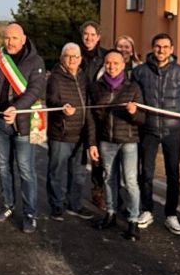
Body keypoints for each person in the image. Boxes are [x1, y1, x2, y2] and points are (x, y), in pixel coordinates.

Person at [0, 23, 45, 234]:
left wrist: (17, 107)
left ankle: (30, 213)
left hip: (23, 123)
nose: (10, 42)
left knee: (25, 170)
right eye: (6, 38)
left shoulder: (35, 61)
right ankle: (8, 205)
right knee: (4, 167)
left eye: (14, 38)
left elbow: (35, 90)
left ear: (23, 39)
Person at [133, 33, 180, 235]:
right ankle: (147, 210)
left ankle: (171, 214)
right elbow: (135, 98)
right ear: (152, 48)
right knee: (146, 173)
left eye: (166, 47)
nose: (161, 50)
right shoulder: (140, 72)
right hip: (148, 129)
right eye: (158, 46)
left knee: (173, 174)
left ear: (172, 49)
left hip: (172, 131)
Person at [88, 49, 146, 240]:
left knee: (130, 181)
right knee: (108, 178)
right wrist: (92, 143)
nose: (111, 66)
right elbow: (91, 118)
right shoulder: (96, 87)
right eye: (108, 63)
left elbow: (142, 119)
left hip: (128, 141)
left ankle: (133, 220)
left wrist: (133, 113)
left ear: (123, 65)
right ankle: (110, 213)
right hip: (106, 141)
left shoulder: (133, 87)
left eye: (115, 63)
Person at [45, 42, 93, 221]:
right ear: (61, 58)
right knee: (56, 172)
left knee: (78, 174)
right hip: (61, 134)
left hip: (80, 134)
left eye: (75, 56)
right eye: (68, 56)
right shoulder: (55, 78)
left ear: (80, 59)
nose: (72, 59)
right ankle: (56, 205)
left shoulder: (83, 77)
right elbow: (50, 101)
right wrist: (62, 107)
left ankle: (75, 204)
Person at [79, 21, 108, 210]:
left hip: (98, 113)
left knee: (98, 157)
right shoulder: (74, 54)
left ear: (98, 37)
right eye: (86, 34)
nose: (89, 38)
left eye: (92, 35)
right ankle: (73, 193)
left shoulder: (106, 57)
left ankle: (98, 191)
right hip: (78, 111)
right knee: (77, 157)